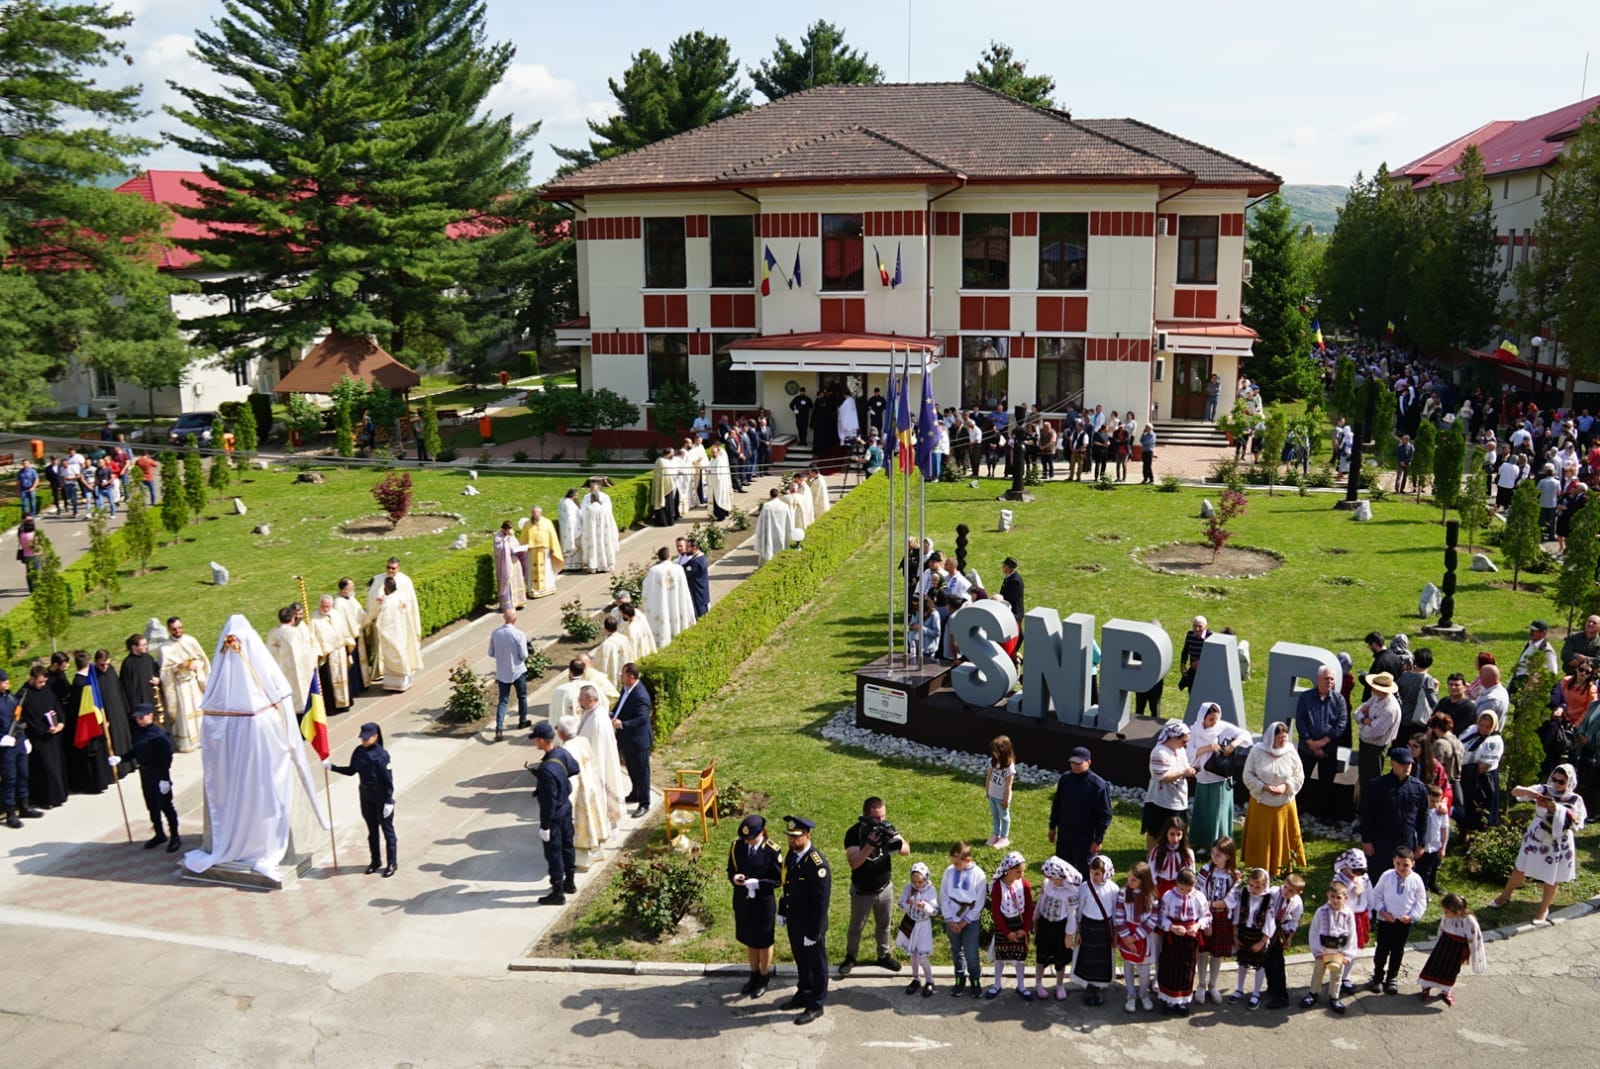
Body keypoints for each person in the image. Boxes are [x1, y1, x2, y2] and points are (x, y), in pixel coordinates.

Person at [1487, 763, 1587, 923]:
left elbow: (1578, 823)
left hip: (1557, 840)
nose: (1556, 784)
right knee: (1521, 868)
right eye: (1554, 779)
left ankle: (1544, 908)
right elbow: (1515, 792)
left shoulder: (1575, 799)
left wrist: (1560, 811)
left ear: (1569, 783)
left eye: (1561, 782)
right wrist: (1532, 793)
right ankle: (1504, 896)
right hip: (1537, 836)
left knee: (1552, 876)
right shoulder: (1543, 789)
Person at [839, 796, 910, 977]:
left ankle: (883, 955)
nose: (881, 822)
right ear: (866, 816)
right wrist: (870, 845)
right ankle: (850, 957)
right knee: (856, 927)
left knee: (884, 925)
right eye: (877, 818)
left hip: (884, 888)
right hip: (862, 891)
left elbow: (906, 850)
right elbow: (854, 863)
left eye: (883, 817)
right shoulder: (854, 833)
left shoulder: (887, 828)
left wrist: (892, 839)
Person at [778, 815, 831, 1025]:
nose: (792, 841)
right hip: (795, 920)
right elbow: (787, 885)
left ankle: (816, 1004)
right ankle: (803, 993)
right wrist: (783, 910)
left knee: (817, 966)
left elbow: (821, 903)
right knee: (801, 961)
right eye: (790, 836)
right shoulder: (792, 855)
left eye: (796, 837)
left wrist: (814, 932)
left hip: (811, 925)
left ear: (807, 836)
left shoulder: (816, 864)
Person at [728, 814, 783, 998]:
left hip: (763, 903)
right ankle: (753, 974)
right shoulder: (738, 846)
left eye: (751, 839)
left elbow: (777, 880)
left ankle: (764, 976)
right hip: (744, 902)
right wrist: (735, 878)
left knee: (764, 942)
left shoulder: (772, 851)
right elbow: (731, 869)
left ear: (761, 834)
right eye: (746, 839)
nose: (748, 842)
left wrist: (758, 883)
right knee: (750, 940)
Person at [1188, 702, 1250, 849]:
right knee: (1204, 810)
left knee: (1217, 812)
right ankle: (1201, 841)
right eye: (1210, 719)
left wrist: (1232, 745)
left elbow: (1244, 735)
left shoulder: (1222, 727)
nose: (1213, 722)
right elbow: (1190, 752)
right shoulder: (1195, 730)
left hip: (1219, 776)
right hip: (1203, 775)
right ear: (1203, 717)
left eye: (1216, 719)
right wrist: (1208, 748)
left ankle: (1218, 844)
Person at [1361, 746, 1430, 877]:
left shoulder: (1418, 788)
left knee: (1404, 877)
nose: (1407, 767)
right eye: (1403, 763)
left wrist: (1421, 843)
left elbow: (1422, 817)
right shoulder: (1377, 786)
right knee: (1378, 876)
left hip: (1405, 841)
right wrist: (1367, 840)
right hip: (1381, 841)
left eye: (1409, 763)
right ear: (1393, 763)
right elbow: (1368, 814)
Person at [1366, 847, 1427, 994]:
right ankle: (1378, 977)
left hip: (1403, 922)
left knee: (1397, 951)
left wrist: (1412, 916)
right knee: (1382, 949)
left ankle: (1392, 978)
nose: (1401, 868)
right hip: (1386, 920)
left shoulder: (1416, 880)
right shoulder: (1387, 876)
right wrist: (1382, 910)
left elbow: (1421, 902)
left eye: (1405, 865)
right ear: (1393, 862)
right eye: (1398, 864)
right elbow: (1376, 895)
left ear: (1412, 863)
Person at [529, 721, 575, 905]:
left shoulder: (547, 769)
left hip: (555, 817)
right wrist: (560, 781)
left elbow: (548, 803)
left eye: (535, 740)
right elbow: (574, 768)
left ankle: (557, 892)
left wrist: (545, 827)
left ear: (541, 740)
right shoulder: (561, 753)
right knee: (567, 846)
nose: (534, 743)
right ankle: (569, 882)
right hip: (566, 808)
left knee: (554, 853)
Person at [1048, 746, 1112, 876]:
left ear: (1088, 762)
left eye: (1078, 763)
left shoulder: (1098, 786)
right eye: (1072, 763)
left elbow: (1105, 815)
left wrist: (1098, 840)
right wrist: (1052, 827)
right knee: (1062, 868)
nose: (1075, 766)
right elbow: (1057, 804)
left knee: (1084, 870)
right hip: (1065, 833)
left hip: (1085, 837)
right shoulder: (1065, 779)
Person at [1294, 665, 1348, 822]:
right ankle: (1296, 811)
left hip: (1328, 751)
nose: (1329, 682)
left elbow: (1341, 724)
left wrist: (1323, 743)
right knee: (1300, 780)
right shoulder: (1306, 697)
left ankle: (1323, 815)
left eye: (1332, 679)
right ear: (1318, 679)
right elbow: (1301, 721)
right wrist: (1311, 742)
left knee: (1326, 784)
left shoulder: (1339, 700)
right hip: (1306, 749)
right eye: (1326, 678)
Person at [554, 714, 606, 870]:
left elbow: (569, 779)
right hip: (591, 786)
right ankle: (596, 852)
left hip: (579, 793)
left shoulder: (565, 750)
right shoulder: (582, 740)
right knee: (592, 822)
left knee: (581, 827)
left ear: (561, 733)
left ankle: (582, 861)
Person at [1156, 867, 1210, 1015]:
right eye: (1181, 889)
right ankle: (1168, 1000)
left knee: (1187, 969)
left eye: (1188, 889)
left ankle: (1183, 1001)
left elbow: (1206, 916)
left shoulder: (1199, 897)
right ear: (1176, 883)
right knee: (1170, 967)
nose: (1185, 892)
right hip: (1173, 938)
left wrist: (1197, 925)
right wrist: (1172, 927)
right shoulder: (1168, 896)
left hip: (1189, 939)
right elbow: (1161, 917)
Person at [1418, 894, 1487, 1006]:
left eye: (1447, 912)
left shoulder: (1469, 921)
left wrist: (1474, 954)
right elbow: (1442, 928)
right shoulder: (1447, 916)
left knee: (1451, 970)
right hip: (1444, 944)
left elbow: (1474, 938)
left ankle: (1446, 991)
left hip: (1456, 949)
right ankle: (1426, 988)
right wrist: (1438, 943)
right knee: (1434, 965)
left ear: (1458, 911)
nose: (1444, 914)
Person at [128, 703, 178, 851]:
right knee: (151, 805)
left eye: (142, 717)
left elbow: (167, 758)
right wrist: (121, 758)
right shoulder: (138, 731)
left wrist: (164, 778)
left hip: (159, 773)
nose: (139, 721)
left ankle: (175, 836)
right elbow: (137, 750)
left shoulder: (159, 734)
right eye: (137, 718)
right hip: (145, 772)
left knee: (166, 805)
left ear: (151, 715)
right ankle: (159, 833)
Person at [1195, 836, 1239, 1005]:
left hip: (1222, 918)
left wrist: (1213, 903)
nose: (1214, 857)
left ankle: (1213, 985)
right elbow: (1199, 894)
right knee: (1204, 951)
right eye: (1213, 853)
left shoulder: (1234, 876)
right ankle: (1201, 984)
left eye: (1219, 855)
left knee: (1217, 953)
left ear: (1228, 856)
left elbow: (1229, 902)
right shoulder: (1205, 870)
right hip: (1206, 915)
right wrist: (1207, 911)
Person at [1029, 855, 1079, 1001]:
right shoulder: (1048, 884)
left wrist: (1069, 934)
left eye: (1054, 878)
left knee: (1060, 958)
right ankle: (1038, 983)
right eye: (1050, 878)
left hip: (1060, 928)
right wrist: (1036, 917)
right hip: (1045, 925)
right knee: (1041, 955)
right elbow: (1041, 902)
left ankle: (1059, 984)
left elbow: (1072, 915)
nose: (1052, 881)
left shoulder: (1070, 893)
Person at [940, 841, 987, 998]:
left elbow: (979, 902)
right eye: (952, 862)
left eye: (957, 863)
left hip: (970, 919)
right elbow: (944, 895)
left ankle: (975, 979)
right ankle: (959, 978)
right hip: (952, 917)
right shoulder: (949, 872)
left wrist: (965, 921)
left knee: (971, 951)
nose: (954, 866)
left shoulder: (978, 875)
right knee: (956, 950)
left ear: (967, 860)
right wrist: (949, 919)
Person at [1301, 881, 1356, 1014]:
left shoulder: (1348, 914)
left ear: (1345, 898)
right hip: (1323, 949)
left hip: (1339, 951)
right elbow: (1313, 931)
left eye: (1339, 897)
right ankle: (1313, 993)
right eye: (1332, 896)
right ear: (1328, 896)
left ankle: (1334, 997)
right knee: (1318, 973)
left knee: (1337, 975)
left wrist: (1348, 954)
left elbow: (1352, 934)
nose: (1335, 900)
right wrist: (1316, 950)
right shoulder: (1321, 911)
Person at [985, 850, 1034, 1000]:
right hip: (1004, 926)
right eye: (1018, 872)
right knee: (1000, 956)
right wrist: (1006, 932)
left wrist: (1024, 930)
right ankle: (997, 984)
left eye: (1022, 872)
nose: (1020, 875)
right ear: (1008, 870)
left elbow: (1029, 909)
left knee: (1020, 958)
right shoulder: (998, 887)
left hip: (1018, 925)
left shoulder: (1024, 885)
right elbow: (996, 912)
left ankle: (1021, 985)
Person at [157, 616, 210, 753]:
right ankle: (187, 743)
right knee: (184, 714)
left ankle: (204, 738)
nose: (178, 631)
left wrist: (195, 666)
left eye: (180, 628)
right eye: (174, 629)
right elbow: (164, 671)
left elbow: (202, 660)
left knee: (199, 709)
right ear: (169, 629)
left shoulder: (191, 641)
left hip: (193, 683)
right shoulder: (164, 648)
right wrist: (177, 668)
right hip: (179, 685)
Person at [0, 670, 43, 827]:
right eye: (3, 681)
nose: (7, 683)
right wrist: (1, 740)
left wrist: (24, 739)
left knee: (23, 775)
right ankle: (11, 812)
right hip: (5, 748)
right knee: (9, 779)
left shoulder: (11, 698)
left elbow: (18, 721)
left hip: (18, 743)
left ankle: (24, 806)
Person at [1114, 860, 1158, 1012]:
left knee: (1144, 969)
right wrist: (1126, 937)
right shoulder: (1123, 893)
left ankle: (1143, 993)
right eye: (1129, 878)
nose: (1129, 882)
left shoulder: (1152, 896)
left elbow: (1153, 918)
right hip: (1126, 933)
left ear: (1143, 881)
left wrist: (1136, 937)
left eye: (1134, 879)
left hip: (1144, 937)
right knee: (1128, 964)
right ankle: (1131, 994)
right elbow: (1119, 916)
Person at [1228, 867, 1275, 1008]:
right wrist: (1234, 935)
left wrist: (1262, 942)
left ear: (1265, 885)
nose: (1254, 889)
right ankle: (1239, 989)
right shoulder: (1244, 894)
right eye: (1251, 885)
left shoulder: (1268, 900)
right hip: (1243, 934)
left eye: (1258, 887)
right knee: (1242, 963)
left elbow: (1270, 921)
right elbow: (1237, 913)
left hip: (1258, 936)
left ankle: (1256, 992)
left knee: (1259, 965)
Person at [1144, 721, 1196, 849]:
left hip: (1178, 798)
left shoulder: (1180, 750)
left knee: (1178, 831)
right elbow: (1163, 777)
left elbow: (1184, 767)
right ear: (1173, 737)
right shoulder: (1159, 753)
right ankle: (1151, 857)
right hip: (1160, 800)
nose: (1186, 744)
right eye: (1184, 741)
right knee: (1155, 831)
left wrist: (1190, 771)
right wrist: (1184, 772)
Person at [611, 663, 653, 819]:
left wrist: (622, 724)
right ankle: (635, 793)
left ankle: (644, 803)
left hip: (638, 741)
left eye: (622, 674)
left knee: (642, 772)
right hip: (627, 739)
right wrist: (612, 713)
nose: (620, 676)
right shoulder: (626, 688)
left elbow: (642, 718)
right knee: (632, 768)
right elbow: (620, 705)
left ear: (631, 677)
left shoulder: (640, 695)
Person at [1262, 872, 1305, 1009]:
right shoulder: (1274, 892)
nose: (1286, 891)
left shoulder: (1297, 903)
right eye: (1285, 887)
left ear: (1299, 892)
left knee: (1277, 963)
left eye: (1291, 890)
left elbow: (1295, 920)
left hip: (1281, 931)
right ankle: (1271, 987)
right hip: (1268, 927)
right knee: (1266, 960)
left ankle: (1281, 995)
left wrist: (1289, 937)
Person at [371, 577, 422, 689]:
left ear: (386, 588)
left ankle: (394, 683)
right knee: (403, 653)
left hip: (391, 633)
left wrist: (379, 605)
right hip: (402, 631)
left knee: (393, 655)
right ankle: (405, 680)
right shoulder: (401, 596)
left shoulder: (388, 603)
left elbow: (383, 620)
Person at [1355, 670, 1402, 791]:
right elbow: (1358, 712)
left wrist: (1364, 720)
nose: (1372, 689)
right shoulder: (1376, 698)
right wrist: (1366, 720)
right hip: (1367, 747)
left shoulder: (1389, 710)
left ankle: (1368, 807)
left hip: (1374, 750)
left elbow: (1370, 734)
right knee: (1363, 780)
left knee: (1371, 783)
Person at [1458, 710, 1505, 830]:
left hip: (1480, 780)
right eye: (1481, 725)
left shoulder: (1494, 742)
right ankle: (1464, 830)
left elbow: (1483, 767)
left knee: (1480, 808)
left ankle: (1478, 834)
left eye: (1487, 727)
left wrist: (1461, 770)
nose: (1483, 729)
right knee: (1465, 805)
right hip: (1466, 774)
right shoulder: (1472, 730)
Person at [265, 604, 316, 712]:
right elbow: (306, 653)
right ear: (292, 618)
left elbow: (269, 654)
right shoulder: (296, 633)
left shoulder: (273, 634)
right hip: (299, 673)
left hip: (282, 673)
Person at [487, 610, 529, 742]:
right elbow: (524, 655)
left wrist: (502, 657)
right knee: (522, 696)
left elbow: (491, 653)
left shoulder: (495, 633)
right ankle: (522, 720)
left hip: (502, 672)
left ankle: (499, 728)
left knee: (503, 701)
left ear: (504, 618)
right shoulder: (519, 634)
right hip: (518, 670)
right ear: (515, 620)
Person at [642, 548, 695, 649]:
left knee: (663, 615)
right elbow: (684, 588)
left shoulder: (654, 570)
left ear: (659, 557)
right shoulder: (679, 569)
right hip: (676, 601)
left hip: (661, 603)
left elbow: (646, 587)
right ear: (670, 556)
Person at [308, 595, 354, 713]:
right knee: (329, 681)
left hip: (340, 651)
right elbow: (313, 637)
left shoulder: (336, 615)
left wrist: (347, 646)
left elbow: (344, 630)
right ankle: (332, 707)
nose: (325, 608)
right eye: (323, 606)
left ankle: (345, 703)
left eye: (328, 606)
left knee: (343, 679)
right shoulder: (314, 619)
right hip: (327, 654)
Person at [1148, 814, 1194, 899]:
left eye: (1179, 834)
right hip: (1160, 886)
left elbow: (1191, 872)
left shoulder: (1188, 853)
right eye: (1172, 834)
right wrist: (1153, 885)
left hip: (1179, 887)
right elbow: (1151, 870)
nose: (1175, 839)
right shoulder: (1157, 851)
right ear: (1166, 833)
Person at [523, 506, 564, 599]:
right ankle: (533, 590)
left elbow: (552, 536)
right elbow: (524, 537)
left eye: (536, 514)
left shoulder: (547, 522)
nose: (534, 515)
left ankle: (548, 588)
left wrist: (554, 549)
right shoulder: (527, 524)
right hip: (532, 551)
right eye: (533, 513)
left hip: (544, 551)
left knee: (546, 570)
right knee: (532, 571)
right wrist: (523, 549)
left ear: (540, 513)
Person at [985, 734, 1015, 848]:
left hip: (1002, 797)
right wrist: (987, 790)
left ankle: (1004, 837)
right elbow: (989, 776)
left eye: (996, 751)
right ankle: (996, 834)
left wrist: (1006, 799)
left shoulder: (1009, 767)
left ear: (1004, 751)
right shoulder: (993, 761)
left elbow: (1008, 785)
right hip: (993, 795)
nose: (994, 753)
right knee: (995, 815)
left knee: (1004, 817)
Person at [579, 488, 619, 573]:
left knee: (593, 548)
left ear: (591, 499)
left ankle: (593, 566)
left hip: (592, 534)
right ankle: (607, 565)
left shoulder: (588, 509)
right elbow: (611, 521)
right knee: (605, 546)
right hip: (604, 533)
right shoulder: (605, 508)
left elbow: (583, 519)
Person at [754, 488, 794, 564]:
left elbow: (761, 520)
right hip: (782, 530)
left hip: (770, 530)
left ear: (770, 495)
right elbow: (789, 519)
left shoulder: (767, 506)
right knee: (781, 545)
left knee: (769, 546)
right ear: (778, 495)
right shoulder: (784, 506)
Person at [492, 521, 525, 611]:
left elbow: (516, 545)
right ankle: (508, 605)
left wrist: (519, 547)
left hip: (514, 561)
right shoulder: (498, 537)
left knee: (517, 580)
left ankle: (518, 602)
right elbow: (499, 549)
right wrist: (508, 540)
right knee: (507, 581)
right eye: (508, 529)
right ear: (504, 529)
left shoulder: (511, 535)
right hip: (505, 564)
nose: (510, 531)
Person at [681, 539, 710, 619]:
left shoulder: (698, 562)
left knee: (701, 618)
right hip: (699, 595)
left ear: (694, 548)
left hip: (699, 596)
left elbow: (687, 573)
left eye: (688, 547)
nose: (686, 549)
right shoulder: (696, 559)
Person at [999, 556, 1024, 626]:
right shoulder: (1009, 577)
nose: (1002, 567)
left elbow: (1011, 599)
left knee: (1017, 635)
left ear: (1008, 567)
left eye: (1004, 566)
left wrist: (999, 600)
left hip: (1015, 614)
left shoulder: (1015, 581)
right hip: (1008, 610)